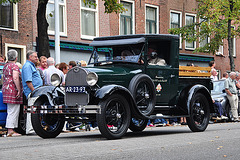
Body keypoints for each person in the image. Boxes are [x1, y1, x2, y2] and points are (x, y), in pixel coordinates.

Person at [2, 50, 23, 137]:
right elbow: (15, 78)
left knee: (10, 110)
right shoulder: (14, 66)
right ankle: (10, 130)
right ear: (16, 58)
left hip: (5, 89)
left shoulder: (5, 66)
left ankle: (10, 130)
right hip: (12, 90)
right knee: (13, 110)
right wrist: (18, 89)